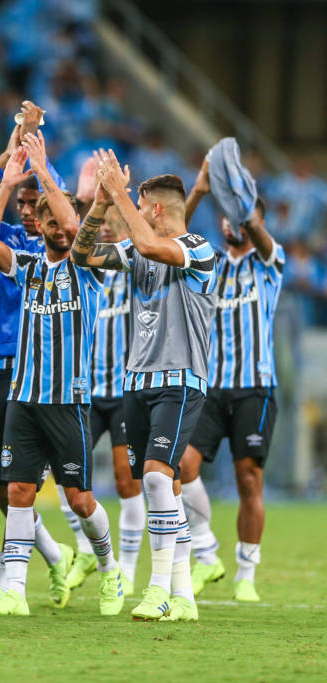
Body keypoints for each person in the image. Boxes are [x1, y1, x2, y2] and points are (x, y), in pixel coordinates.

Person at [0, 139, 124, 617]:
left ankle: (109, 569)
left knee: (81, 500)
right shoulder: (29, 267)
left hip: (68, 402)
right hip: (24, 397)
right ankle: (14, 587)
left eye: (65, 223)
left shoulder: (89, 267)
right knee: (19, 492)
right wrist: (7, 184)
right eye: (52, 223)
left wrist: (41, 168)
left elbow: (80, 226)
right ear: (39, 226)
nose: (62, 230)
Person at [72, 149, 218, 622]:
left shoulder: (198, 247)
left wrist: (117, 193)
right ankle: (183, 597)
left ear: (154, 208)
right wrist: (98, 204)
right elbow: (82, 254)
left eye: (137, 200)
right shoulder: (136, 249)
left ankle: (155, 589)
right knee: (165, 488)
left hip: (181, 380)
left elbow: (155, 248)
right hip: (137, 382)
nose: (129, 204)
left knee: (155, 475)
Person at [0, 103, 72, 610]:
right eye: (21, 200)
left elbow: (65, 207)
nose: (26, 209)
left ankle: (13, 577)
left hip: (43, 374)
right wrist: (12, 147)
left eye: (33, 200)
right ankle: (53, 553)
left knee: (20, 483)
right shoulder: (4, 237)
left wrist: (35, 150)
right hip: (1, 366)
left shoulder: (57, 244)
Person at [180, 161, 283, 603]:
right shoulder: (210, 263)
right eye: (225, 215)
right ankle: (207, 551)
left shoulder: (268, 263)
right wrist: (200, 192)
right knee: (181, 466)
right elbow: (171, 237)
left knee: (248, 479)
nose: (230, 221)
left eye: (238, 215)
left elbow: (260, 236)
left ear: (252, 218)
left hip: (254, 388)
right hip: (211, 387)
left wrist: (248, 212)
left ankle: (246, 572)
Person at [86, 205, 145, 597]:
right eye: (100, 224)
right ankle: (81, 550)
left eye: (112, 225)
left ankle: (127, 570)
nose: (105, 229)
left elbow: (135, 241)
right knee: (68, 475)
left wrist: (117, 201)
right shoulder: (84, 270)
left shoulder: (133, 270)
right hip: (86, 391)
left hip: (124, 391)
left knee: (127, 481)